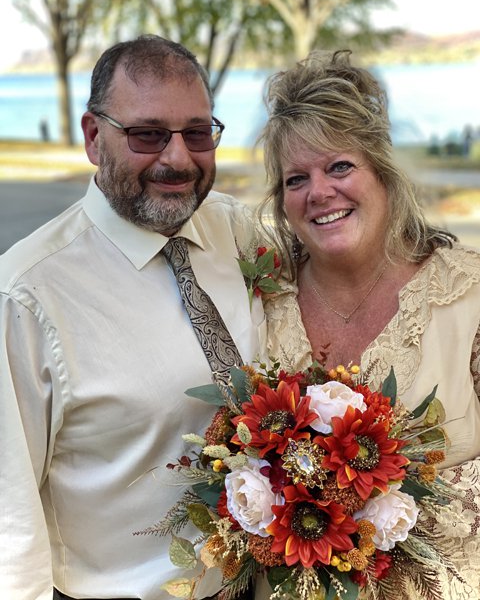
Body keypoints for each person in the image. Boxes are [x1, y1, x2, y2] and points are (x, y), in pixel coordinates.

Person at [0, 35, 265, 600]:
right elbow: (8, 519)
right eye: (148, 134)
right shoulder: (26, 295)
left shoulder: (235, 230)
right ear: (94, 137)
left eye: (198, 132)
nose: (178, 159)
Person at [257, 50, 480, 598]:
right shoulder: (259, 304)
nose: (319, 192)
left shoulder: (467, 295)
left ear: (382, 173)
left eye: (339, 166)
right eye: (295, 179)